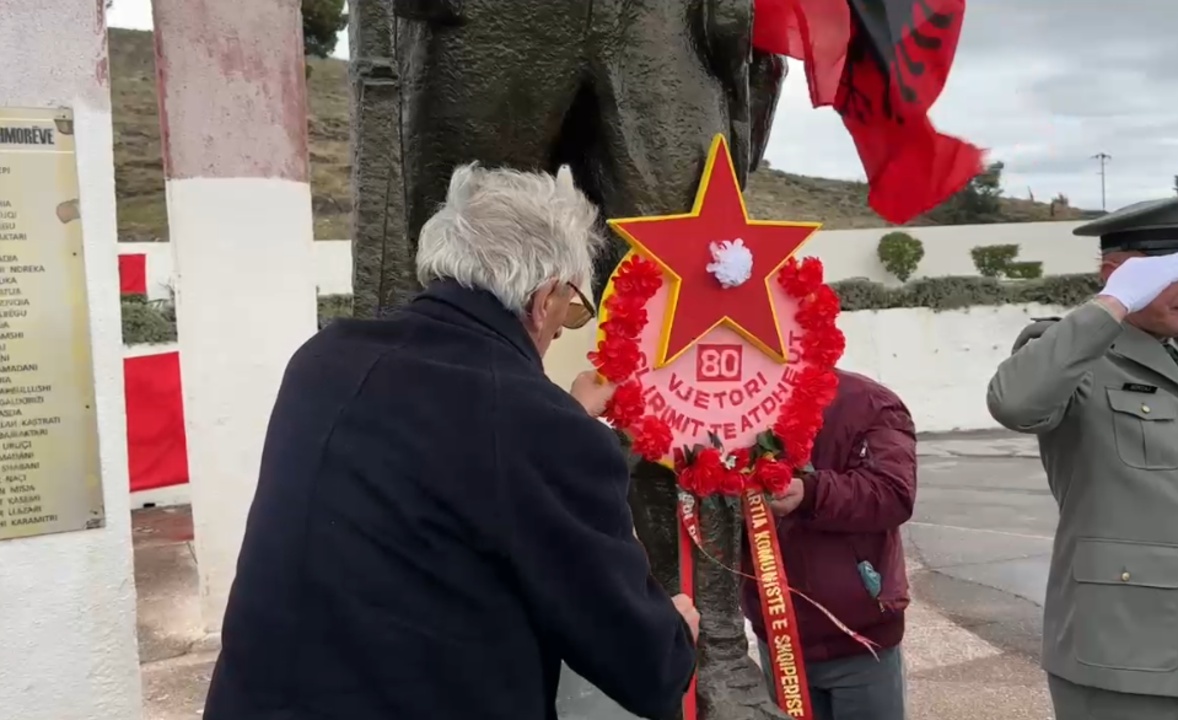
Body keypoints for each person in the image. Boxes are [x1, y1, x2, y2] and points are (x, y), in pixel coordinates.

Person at [202, 164, 699, 720]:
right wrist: (678, 630)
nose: (562, 329)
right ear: (544, 297)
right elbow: (646, 667)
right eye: (573, 310)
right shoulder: (535, 427)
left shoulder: (323, 360)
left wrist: (565, 417)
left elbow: (439, 459)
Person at [986, 188, 1178, 720]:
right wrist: (1111, 307)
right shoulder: (1070, 353)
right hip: (1128, 658)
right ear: (1116, 275)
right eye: (1175, 274)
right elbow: (1014, 403)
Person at [741, 369, 918, 720]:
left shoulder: (867, 401)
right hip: (778, 634)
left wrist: (811, 492)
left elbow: (895, 493)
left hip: (859, 637)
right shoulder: (728, 406)